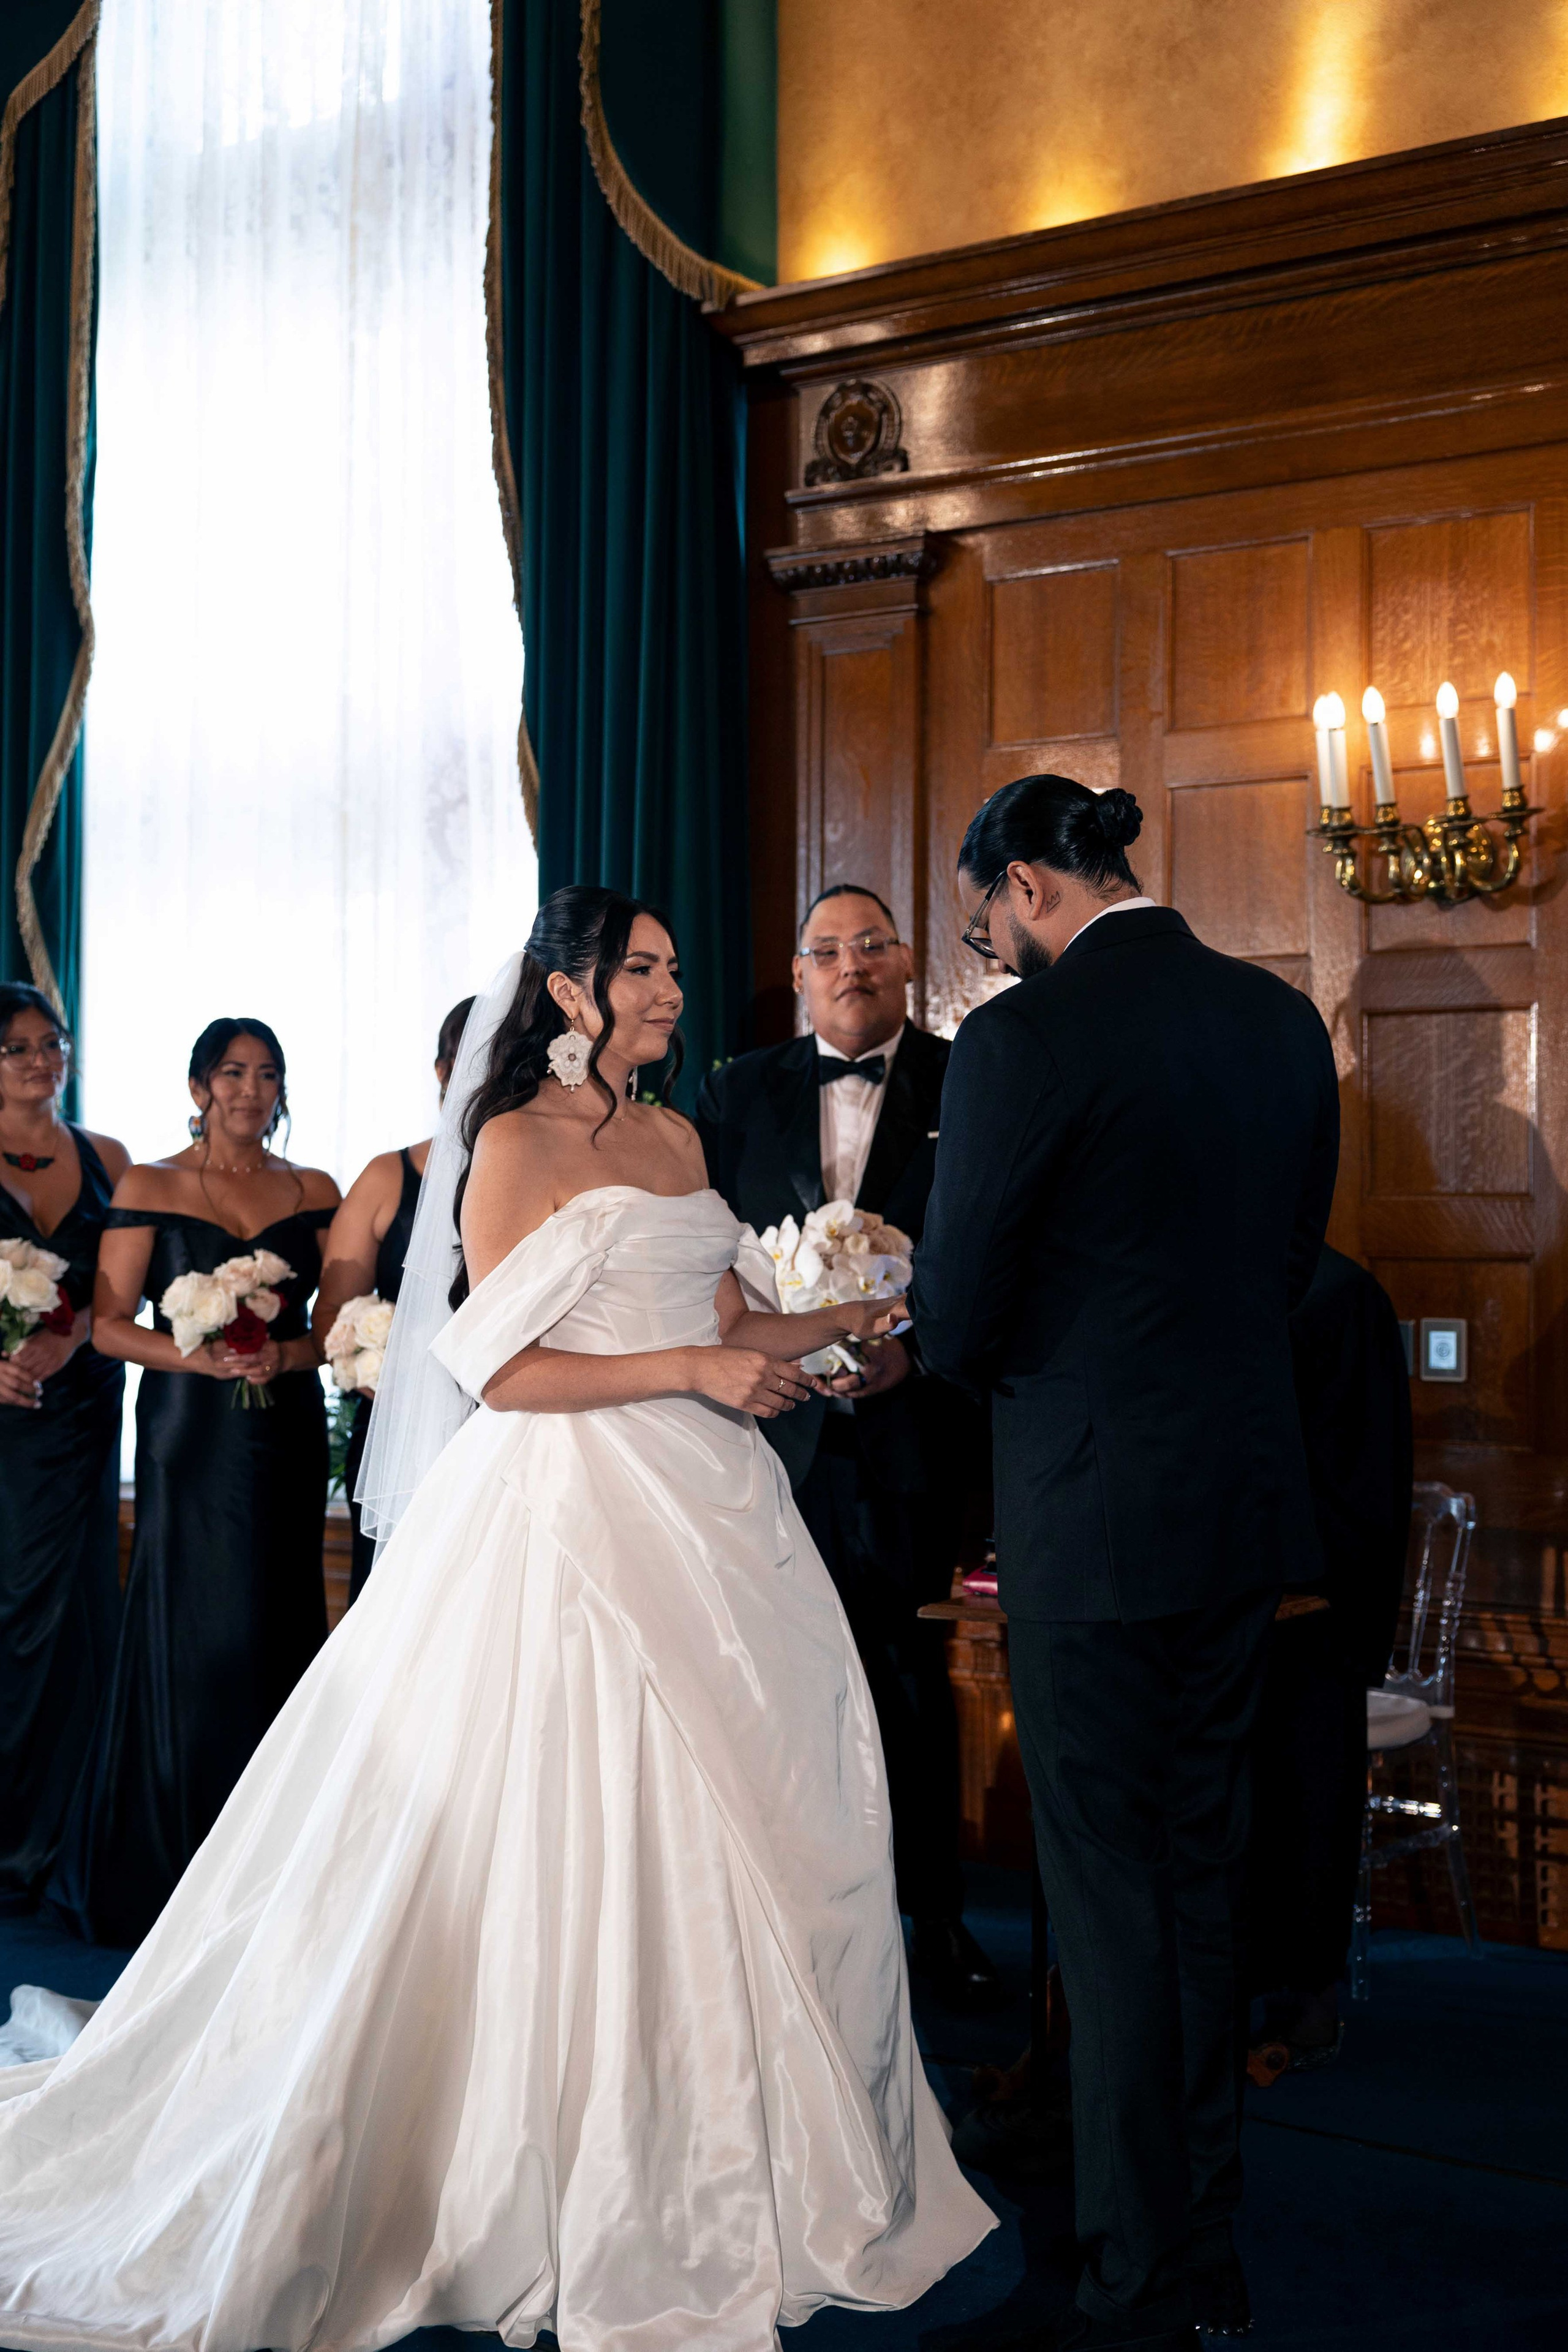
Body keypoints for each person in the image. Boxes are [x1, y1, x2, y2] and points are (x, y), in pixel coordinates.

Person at [0, 887, 994, 2351]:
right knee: (556, 1813)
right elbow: (498, 1366)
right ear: (574, 989)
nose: (670, 990)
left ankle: (721, 2138)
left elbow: (729, 1318)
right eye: (645, 970)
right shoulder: (515, 1143)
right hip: (569, 1505)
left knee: (745, 1806)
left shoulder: (676, 1134)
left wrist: (863, 1324)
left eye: (669, 967)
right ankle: (536, 2158)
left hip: (707, 1509)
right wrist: (693, 1375)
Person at [913, 775, 1338, 2352]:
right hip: (1234, 1511)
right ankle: (1203, 2254)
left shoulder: (1021, 1040)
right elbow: (1292, 1263)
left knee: (1102, 1909)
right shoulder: (1275, 1017)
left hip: (1087, 1520)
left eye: (982, 920)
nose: (987, 949)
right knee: (1200, 1881)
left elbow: (957, 1315)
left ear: (1029, 883)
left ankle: (1127, 2272)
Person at [696, 883, 998, 2012]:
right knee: (779, 1678)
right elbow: (708, 1246)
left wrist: (916, 1355)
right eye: (828, 950)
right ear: (799, 971)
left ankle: (933, 1919)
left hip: (913, 1433)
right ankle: (787, 1919)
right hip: (773, 1437)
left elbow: (988, 1240)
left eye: (872, 945)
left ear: (909, 959)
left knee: (908, 1683)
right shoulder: (736, 1091)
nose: (852, 965)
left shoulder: (968, 1077)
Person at [44, 1019, 341, 1948]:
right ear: (200, 1085)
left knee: (276, 1617)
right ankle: (171, 1863)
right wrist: (198, 1356)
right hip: (189, 1433)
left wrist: (287, 1351)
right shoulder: (152, 1185)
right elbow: (106, 1324)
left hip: (284, 1431)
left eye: (267, 1075)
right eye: (233, 1074)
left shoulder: (316, 1189)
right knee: (195, 1624)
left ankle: (277, 1868)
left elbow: (339, 1319)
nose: (250, 1091)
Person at [1246, 1245, 1412, 2065]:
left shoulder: (1339, 1295)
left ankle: (1305, 1991)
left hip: (1316, 1605)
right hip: (1220, 1602)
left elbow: (1367, 1477)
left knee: (1309, 1801)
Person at [0, 984, 129, 1909]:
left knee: (78, 1620)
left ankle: (63, 1846)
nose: (45, 1060)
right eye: (20, 1048)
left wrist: (75, 1334)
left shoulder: (107, 1157)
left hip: (81, 1414)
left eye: (56, 1042)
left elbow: (122, 1293)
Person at [315, 994, 474, 1601]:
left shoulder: (539, 1174)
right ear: (442, 1070)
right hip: (399, 1435)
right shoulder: (388, 1177)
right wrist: (368, 1367)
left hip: (507, 1428)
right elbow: (330, 1316)